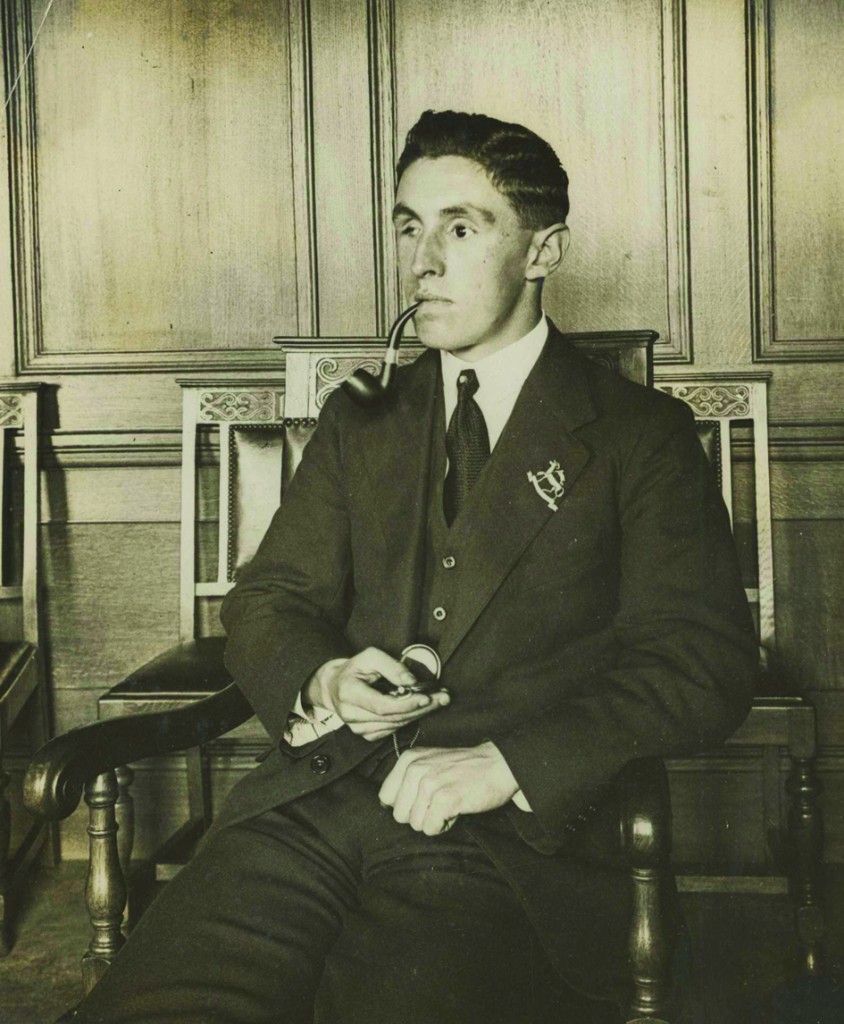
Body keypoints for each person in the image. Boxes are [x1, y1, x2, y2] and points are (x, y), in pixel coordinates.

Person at [74, 110, 757, 1024]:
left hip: (510, 849)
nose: (422, 260)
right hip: (310, 807)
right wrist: (324, 676)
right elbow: (270, 601)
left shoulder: (642, 437)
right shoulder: (362, 422)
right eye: (409, 226)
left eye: (461, 228)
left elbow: (705, 661)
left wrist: (508, 763)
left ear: (545, 250)